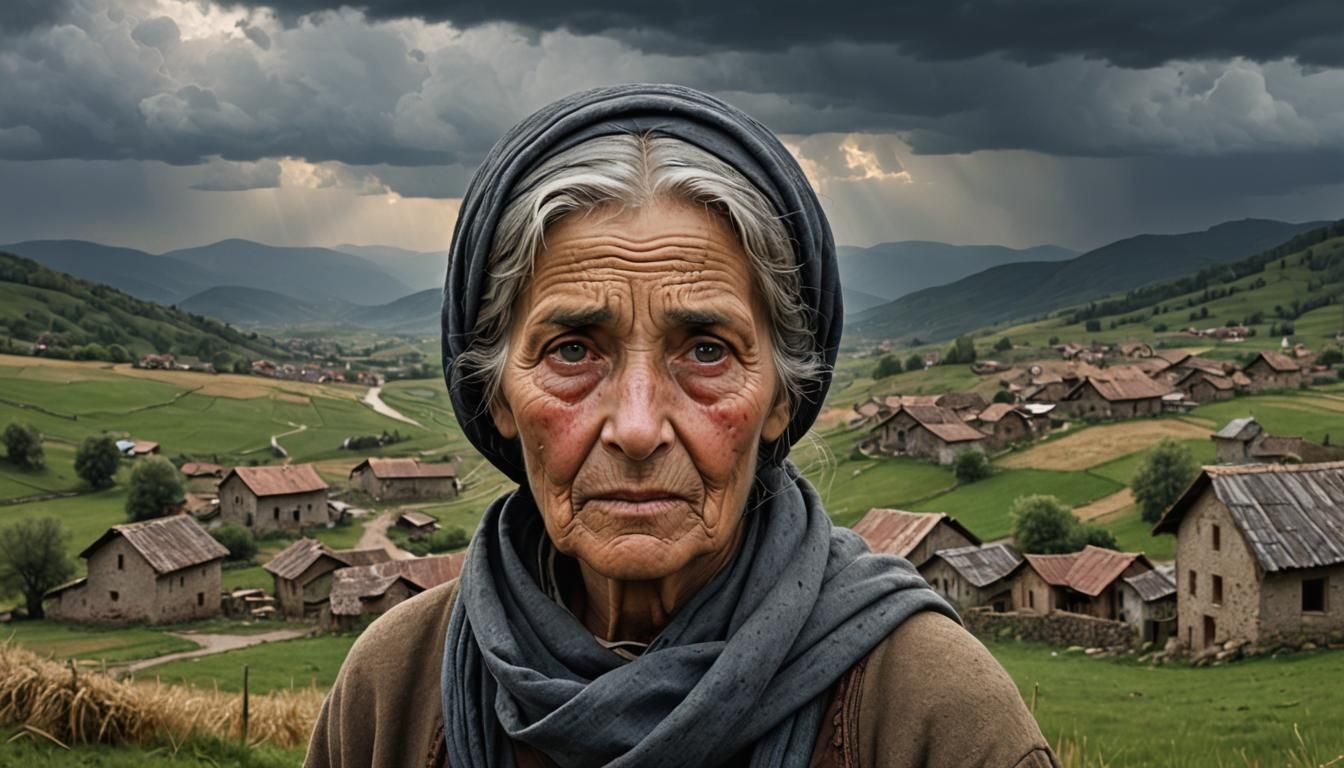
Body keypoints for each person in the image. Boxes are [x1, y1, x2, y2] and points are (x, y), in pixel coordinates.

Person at [305, 83, 1058, 768]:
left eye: (706, 351)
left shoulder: (929, 712)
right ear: (497, 394)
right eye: (572, 350)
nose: (637, 428)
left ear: (782, 399)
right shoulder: (396, 690)